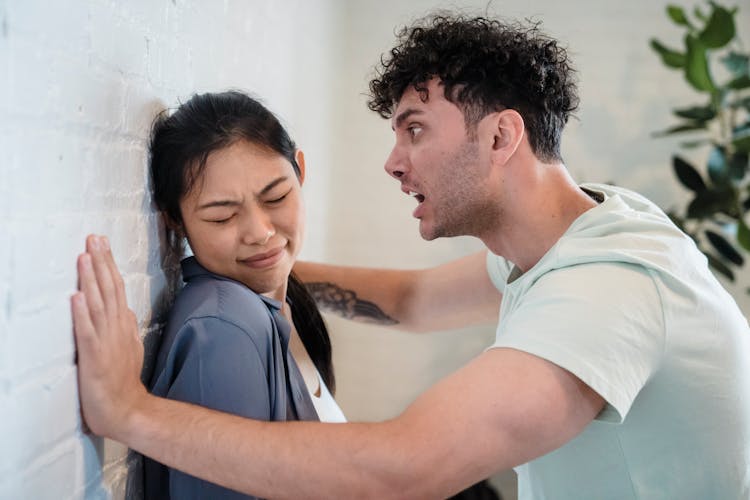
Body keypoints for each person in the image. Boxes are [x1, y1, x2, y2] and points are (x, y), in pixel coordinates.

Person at [71, 14, 750, 499]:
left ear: (501, 136)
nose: (394, 163)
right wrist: (265, 259)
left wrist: (127, 410)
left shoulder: (609, 289)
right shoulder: (584, 228)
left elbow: (406, 471)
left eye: (415, 131)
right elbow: (410, 302)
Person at [142, 91, 345, 499]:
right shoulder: (225, 330)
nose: (260, 232)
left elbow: (416, 300)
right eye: (222, 215)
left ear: (300, 170)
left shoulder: (281, 304)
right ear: (175, 221)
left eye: (276, 197)